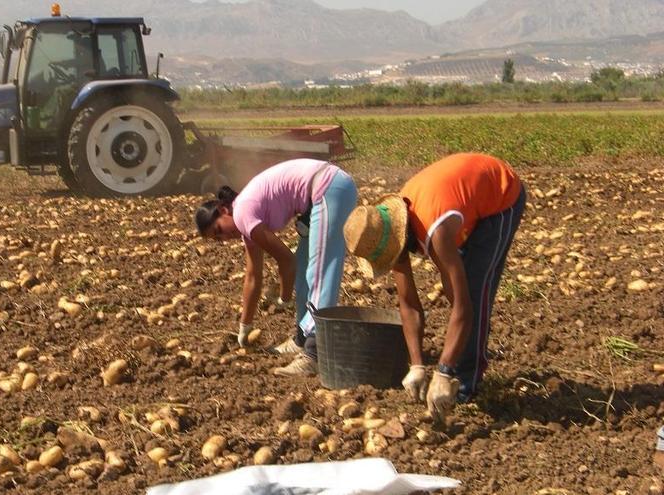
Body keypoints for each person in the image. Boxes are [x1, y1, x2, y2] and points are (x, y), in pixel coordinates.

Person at [343, 152, 526, 421]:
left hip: (499, 195)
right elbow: (409, 305)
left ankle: (465, 386)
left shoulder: (435, 231)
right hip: (458, 200)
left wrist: (442, 371)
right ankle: (454, 369)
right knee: (459, 284)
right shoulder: (389, 230)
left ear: (400, 238)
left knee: (473, 289)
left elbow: (464, 307)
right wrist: (416, 364)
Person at [195, 158, 358, 376]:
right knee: (304, 268)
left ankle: (314, 354)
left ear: (224, 210)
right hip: (322, 194)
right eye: (218, 240)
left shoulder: (242, 213)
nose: (224, 238)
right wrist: (245, 326)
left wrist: (284, 298)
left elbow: (285, 259)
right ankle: (302, 338)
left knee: (320, 271)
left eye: (218, 231)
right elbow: (253, 277)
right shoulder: (246, 223)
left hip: (328, 188)